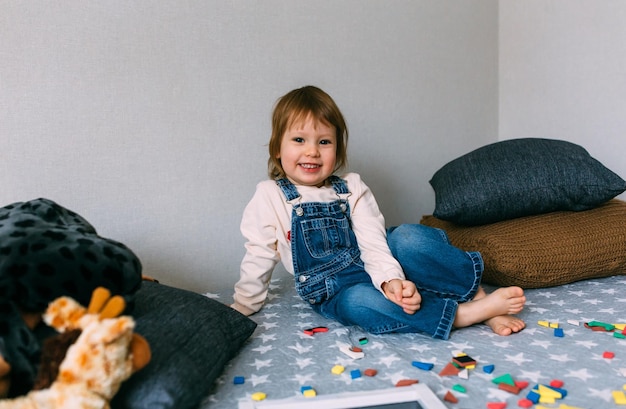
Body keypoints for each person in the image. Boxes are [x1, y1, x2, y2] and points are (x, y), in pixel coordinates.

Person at [231, 85, 525, 339]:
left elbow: (373, 243)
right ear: (277, 149)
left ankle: (477, 295)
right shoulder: (269, 196)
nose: (312, 152)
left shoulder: (351, 188)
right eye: (299, 140)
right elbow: (258, 255)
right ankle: (463, 314)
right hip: (334, 290)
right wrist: (242, 306)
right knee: (359, 303)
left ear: (338, 150)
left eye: (324, 141)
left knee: (408, 237)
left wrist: (391, 282)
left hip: (379, 264)